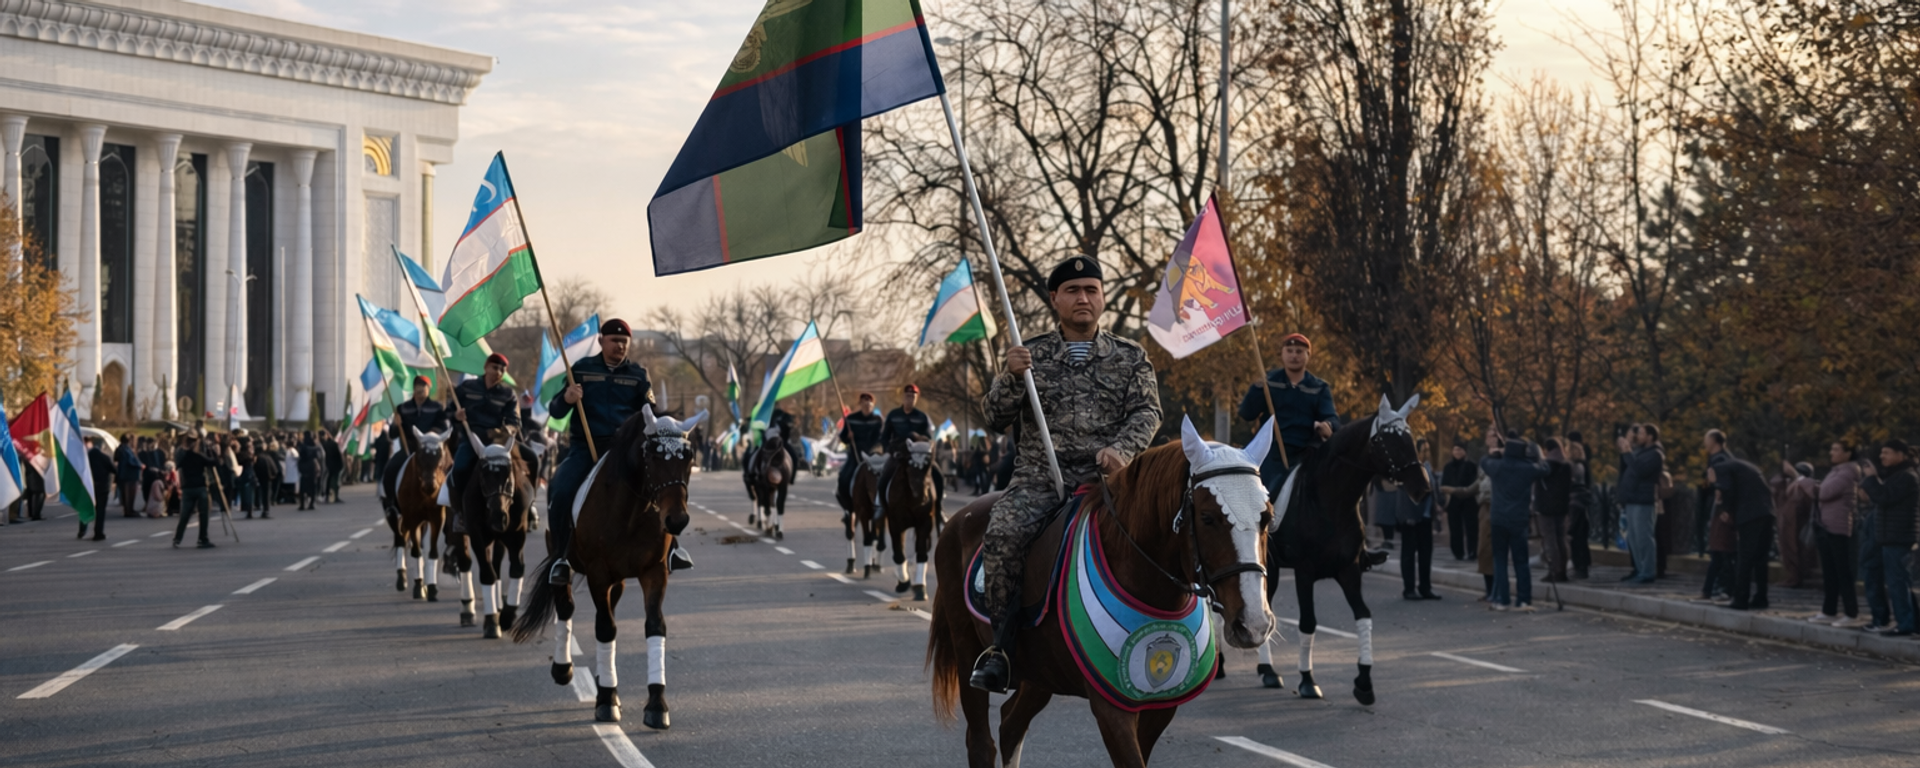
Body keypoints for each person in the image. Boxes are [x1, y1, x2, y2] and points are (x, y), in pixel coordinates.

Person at [970, 256, 1161, 692]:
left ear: (1103, 298)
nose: (1083, 298)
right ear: (1055, 298)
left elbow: (1148, 411)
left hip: (1106, 483)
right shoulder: (1029, 353)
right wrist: (1012, 378)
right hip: (1039, 481)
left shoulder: (1130, 358)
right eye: (1073, 291)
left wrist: (1122, 451)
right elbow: (994, 418)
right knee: (1002, 534)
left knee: (1169, 532)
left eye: (1091, 290)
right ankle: (1001, 648)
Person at [544, 319, 690, 585]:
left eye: (624, 342)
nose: (620, 345)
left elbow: (651, 414)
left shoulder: (638, 374)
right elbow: (555, 411)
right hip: (586, 447)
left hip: (626, 449)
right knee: (561, 488)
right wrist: (567, 399)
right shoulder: (580, 369)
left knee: (662, 483)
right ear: (601, 341)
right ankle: (561, 557)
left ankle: (672, 550)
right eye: (614, 340)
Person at [1237, 333, 1338, 497]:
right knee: (1261, 495)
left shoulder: (1319, 388)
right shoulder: (1269, 382)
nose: (1294, 355)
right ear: (1282, 354)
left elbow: (1332, 418)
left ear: (1308, 355)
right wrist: (1256, 389)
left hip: (1306, 453)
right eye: (1289, 350)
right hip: (1272, 451)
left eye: (1299, 351)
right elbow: (1246, 413)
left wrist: (1328, 426)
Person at [1482, 437, 1548, 611]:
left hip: (1498, 518)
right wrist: (1537, 456)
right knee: (1521, 561)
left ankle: (1502, 599)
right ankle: (1524, 599)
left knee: (1500, 560)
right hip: (1519, 519)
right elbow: (1545, 469)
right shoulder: (1527, 469)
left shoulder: (1497, 467)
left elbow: (1483, 461)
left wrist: (1496, 454)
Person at [1859, 439, 1917, 636]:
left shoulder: (1907, 477)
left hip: (1898, 537)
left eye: (1887, 452)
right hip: (1887, 537)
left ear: (1901, 454)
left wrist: (1872, 479)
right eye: (1882, 453)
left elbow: (1884, 497)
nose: (1882, 456)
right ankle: (1899, 621)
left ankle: (1906, 624)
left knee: (1898, 582)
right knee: (1889, 579)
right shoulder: (1895, 475)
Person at [1711, 438, 1776, 611]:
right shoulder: (1746, 467)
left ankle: (1740, 598)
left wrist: (1725, 509)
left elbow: (1726, 488)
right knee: (1761, 558)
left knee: (1745, 557)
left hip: (1749, 515)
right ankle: (1761, 597)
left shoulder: (1720, 468)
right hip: (1767, 512)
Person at [1809, 444, 1868, 627]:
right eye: (1831, 448)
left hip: (1839, 527)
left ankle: (1851, 613)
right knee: (1829, 572)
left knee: (1843, 572)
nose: (1831, 452)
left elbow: (1825, 493)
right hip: (1826, 525)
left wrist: (1810, 485)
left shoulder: (1848, 472)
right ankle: (1829, 610)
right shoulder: (1836, 471)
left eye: (1836, 450)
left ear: (1847, 453)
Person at [450, 353, 520, 506]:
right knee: (459, 469)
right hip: (471, 440)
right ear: (486, 367)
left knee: (526, 465)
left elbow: (514, 421)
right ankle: (459, 511)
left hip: (497, 443)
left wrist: (505, 430)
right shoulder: (467, 387)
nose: (498, 372)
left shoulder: (508, 394)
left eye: (503, 370)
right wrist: (456, 415)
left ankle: (525, 511)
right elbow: (448, 412)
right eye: (495, 367)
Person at [878, 383, 943, 506]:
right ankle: (882, 507)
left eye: (913, 396)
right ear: (903, 397)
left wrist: (919, 438)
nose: (910, 399)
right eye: (908, 396)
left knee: (938, 476)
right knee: (883, 479)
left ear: (917, 398)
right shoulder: (893, 415)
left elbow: (929, 438)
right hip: (898, 456)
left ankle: (939, 508)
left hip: (919, 456)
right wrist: (889, 450)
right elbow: (884, 437)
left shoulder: (923, 417)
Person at [1616, 424, 1666, 584]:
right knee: (1634, 539)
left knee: (1644, 538)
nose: (1639, 436)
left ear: (1651, 436)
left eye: (1643, 433)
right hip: (1632, 499)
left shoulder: (1655, 454)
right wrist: (1626, 451)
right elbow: (1629, 466)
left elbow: (1639, 470)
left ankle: (1648, 572)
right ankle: (1639, 569)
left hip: (1643, 501)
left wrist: (1628, 452)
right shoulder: (1641, 451)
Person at [1395, 439, 1440, 600]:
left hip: (1426, 517)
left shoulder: (1428, 467)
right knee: (1408, 554)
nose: (1426, 452)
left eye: (1428, 449)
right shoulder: (1407, 467)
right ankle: (1409, 588)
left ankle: (1425, 587)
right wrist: (1406, 516)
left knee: (1425, 554)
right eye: (1423, 449)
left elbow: (1432, 491)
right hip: (1411, 517)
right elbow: (1404, 494)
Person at [834, 391, 884, 514]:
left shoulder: (878, 420)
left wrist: (876, 451)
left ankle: (882, 506)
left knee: (884, 479)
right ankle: (848, 508)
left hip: (873, 457)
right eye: (864, 402)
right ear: (860, 404)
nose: (867, 404)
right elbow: (843, 438)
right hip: (855, 455)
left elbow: (881, 439)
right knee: (844, 478)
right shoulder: (851, 419)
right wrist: (848, 437)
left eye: (870, 402)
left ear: (873, 405)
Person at [1772, 459, 1819, 589]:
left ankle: (1796, 577)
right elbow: (1775, 487)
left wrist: (1796, 476)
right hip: (1787, 522)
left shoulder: (1806, 484)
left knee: (1797, 550)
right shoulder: (1791, 484)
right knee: (1788, 550)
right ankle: (1792, 576)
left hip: (1797, 524)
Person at [1534, 438, 1575, 583]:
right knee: (1561, 538)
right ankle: (1562, 569)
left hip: (1546, 507)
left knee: (1550, 539)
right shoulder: (1566, 466)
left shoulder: (1546, 465)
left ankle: (1554, 570)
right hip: (1562, 506)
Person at [174, 433, 219, 549]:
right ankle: (202, 539)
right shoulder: (199, 457)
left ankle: (177, 538)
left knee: (184, 515)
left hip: (187, 488)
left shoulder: (183, 457)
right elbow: (215, 462)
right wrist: (211, 450)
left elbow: (177, 466)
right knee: (203, 514)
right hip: (200, 487)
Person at [1438, 443, 1479, 560]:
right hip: (1453, 501)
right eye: (1455, 449)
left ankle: (1472, 551)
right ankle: (1458, 552)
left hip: (1469, 500)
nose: (1457, 452)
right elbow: (1444, 484)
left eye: (1460, 449)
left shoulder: (1471, 466)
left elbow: (1474, 483)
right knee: (1455, 527)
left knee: (1471, 527)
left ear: (1465, 451)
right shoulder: (1448, 467)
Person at [1565, 434, 1595, 579]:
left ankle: (1580, 566)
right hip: (1581, 503)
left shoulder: (1572, 467)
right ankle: (1582, 565)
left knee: (1575, 537)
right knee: (1580, 536)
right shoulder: (1583, 466)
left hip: (1574, 503)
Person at [395, 375, 448, 452]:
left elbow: (444, 427)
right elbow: (392, 434)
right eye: (418, 385)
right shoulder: (403, 408)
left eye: (423, 385)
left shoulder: (437, 407)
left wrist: (430, 434)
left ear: (429, 388)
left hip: (431, 449)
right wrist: (395, 425)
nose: (420, 388)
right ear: (414, 388)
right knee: (392, 464)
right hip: (409, 450)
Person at [82, 437, 113, 541]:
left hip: (88, 486)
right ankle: (98, 532)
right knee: (100, 510)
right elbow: (113, 469)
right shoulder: (105, 457)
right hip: (102, 487)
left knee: (85, 507)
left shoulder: (86, 457)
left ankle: (82, 530)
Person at [114, 432, 143, 518]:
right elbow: (131, 461)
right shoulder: (126, 449)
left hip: (123, 474)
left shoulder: (119, 448)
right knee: (129, 494)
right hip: (129, 475)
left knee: (125, 494)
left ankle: (128, 509)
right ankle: (129, 510)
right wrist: (140, 465)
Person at [296, 431, 323, 510]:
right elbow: (318, 455)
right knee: (312, 486)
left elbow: (300, 455)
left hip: (304, 467)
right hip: (311, 466)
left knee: (303, 487)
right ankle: (311, 503)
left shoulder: (302, 445)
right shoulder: (314, 445)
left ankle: (302, 504)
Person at [322, 430, 345, 503]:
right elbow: (339, 455)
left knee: (328, 481)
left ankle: (327, 496)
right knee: (335, 482)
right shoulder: (335, 444)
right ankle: (336, 497)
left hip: (328, 465)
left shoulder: (324, 445)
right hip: (336, 466)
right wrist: (341, 465)